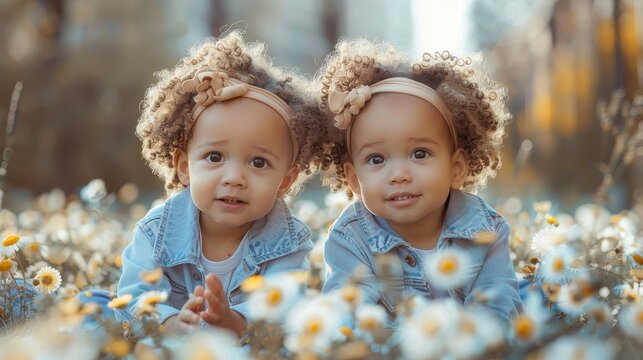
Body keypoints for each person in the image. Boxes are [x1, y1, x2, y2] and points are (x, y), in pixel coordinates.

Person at [112, 31, 329, 336]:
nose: (234, 178)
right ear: (185, 167)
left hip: (242, 342)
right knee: (97, 306)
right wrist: (171, 323)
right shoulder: (157, 232)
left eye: (258, 162)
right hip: (171, 337)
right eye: (215, 157)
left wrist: (234, 322)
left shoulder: (287, 243)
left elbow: (284, 311)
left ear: (285, 181)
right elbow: (135, 295)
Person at [317, 39, 522, 325]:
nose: (399, 174)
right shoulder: (350, 238)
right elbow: (346, 318)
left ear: (456, 168)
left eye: (419, 153)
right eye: (377, 159)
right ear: (354, 178)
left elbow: (498, 305)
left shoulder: (485, 229)